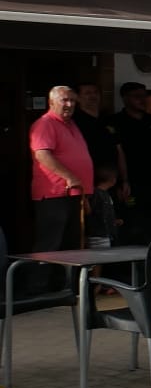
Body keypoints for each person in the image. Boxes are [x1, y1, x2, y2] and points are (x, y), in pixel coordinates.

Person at [29, 87, 92, 276]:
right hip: (54, 194)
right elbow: (42, 155)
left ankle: (65, 288)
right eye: (64, 100)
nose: (70, 105)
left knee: (71, 246)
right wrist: (70, 176)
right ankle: (38, 288)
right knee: (50, 244)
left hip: (74, 193)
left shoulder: (71, 124)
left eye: (73, 101)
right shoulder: (45, 123)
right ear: (51, 102)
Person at [106, 81, 151, 244]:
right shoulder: (115, 122)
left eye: (145, 96)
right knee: (133, 226)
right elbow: (115, 152)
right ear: (125, 98)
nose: (143, 100)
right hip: (130, 184)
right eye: (137, 96)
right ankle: (133, 266)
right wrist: (122, 181)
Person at [72, 84, 127, 203]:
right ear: (78, 98)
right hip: (88, 183)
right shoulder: (74, 122)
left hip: (112, 181)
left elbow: (119, 150)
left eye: (95, 92)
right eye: (87, 93)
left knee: (113, 218)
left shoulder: (109, 120)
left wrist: (124, 180)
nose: (93, 95)